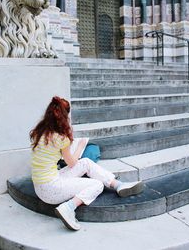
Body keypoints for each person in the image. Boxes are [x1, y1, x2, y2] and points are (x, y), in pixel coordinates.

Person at [30, 96, 143, 231]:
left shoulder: (38, 132)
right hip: (51, 190)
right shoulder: (61, 138)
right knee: (97, 185)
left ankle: (118, 185)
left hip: (40, 186)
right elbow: (72, 163)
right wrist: (80, 145)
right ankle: (68, 208)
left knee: (85, 163)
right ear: (65, 116)